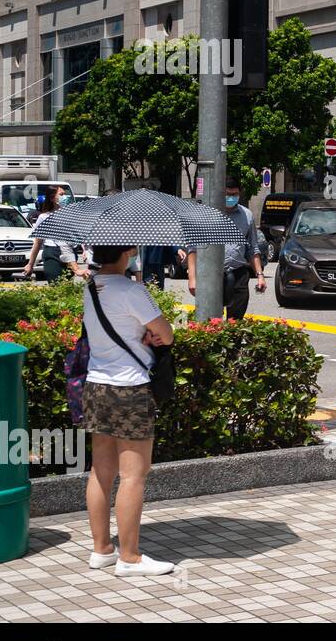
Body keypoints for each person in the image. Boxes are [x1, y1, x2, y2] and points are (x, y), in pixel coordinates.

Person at [81, 245, 177, 577]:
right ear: (126, 252)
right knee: (133, 475)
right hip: (131, 388)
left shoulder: (91, 286)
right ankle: (130, 557)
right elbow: (166, 333)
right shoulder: (133, 290)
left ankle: (101, 549)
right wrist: (153, 335)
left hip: (96, 386)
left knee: (99, 473)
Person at [186, 180, 265, 317]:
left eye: (235, 194)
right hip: (211, 274)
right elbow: (193, 248)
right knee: (211, 319)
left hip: (238, 273)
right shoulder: (206, 214)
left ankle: (235, 338)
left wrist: (260, 275)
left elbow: (252, 248)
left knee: (236, 321)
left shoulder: (247, 216)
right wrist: (192, 278)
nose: (231, 197)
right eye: (228, 194)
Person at [22, 186, 88, 282]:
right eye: (61, 194)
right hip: (52, 253)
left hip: (70, 252)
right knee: (56, 283)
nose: (65, 197)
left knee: (67, 285)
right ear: (52, 198)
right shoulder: (44, 217)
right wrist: (30, 264)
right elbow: (38, 243)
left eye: (65, 195)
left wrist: (84, 250)